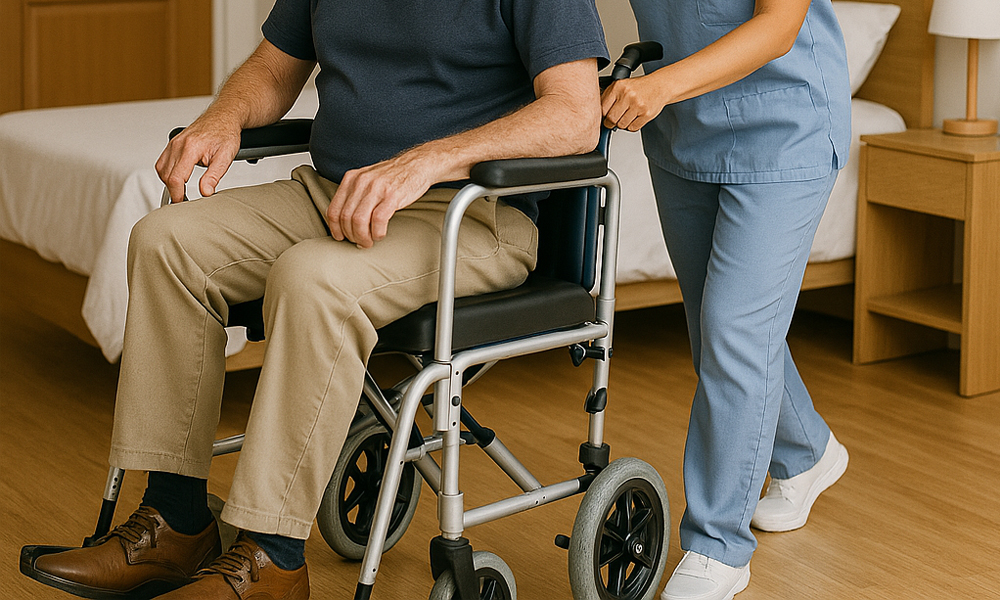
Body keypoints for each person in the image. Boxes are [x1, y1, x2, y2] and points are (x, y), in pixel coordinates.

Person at [28, 1, 609, 599]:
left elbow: (573, 115)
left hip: (469, 213)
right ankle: (174, 522)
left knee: (311, 277)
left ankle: (272, 560)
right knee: (166, 242)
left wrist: (426, 160)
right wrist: (223, 116)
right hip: (332, 194)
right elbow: (276, 67)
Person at [601, 0, 851, 599]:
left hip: (783, 128)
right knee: (717, 329)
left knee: (734, 330)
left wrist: (656, 87)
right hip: (683, 131)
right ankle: (808, 453)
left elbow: (778, 26)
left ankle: (717, 548)